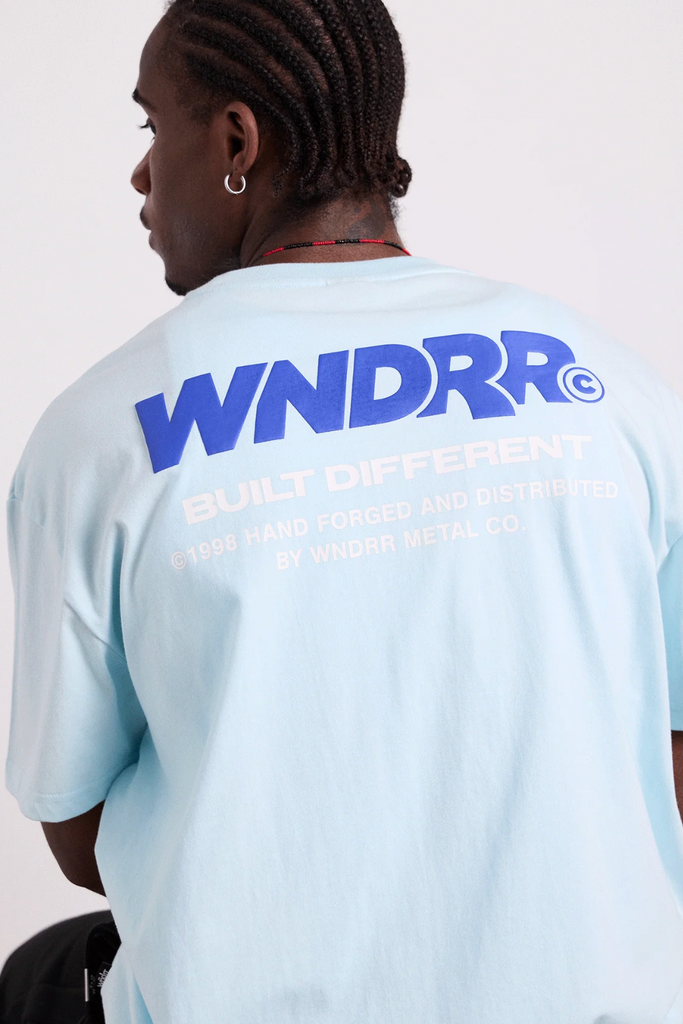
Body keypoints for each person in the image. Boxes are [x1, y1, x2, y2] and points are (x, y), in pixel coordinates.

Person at [3, 0, 683, 1021]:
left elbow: (77, 831)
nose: (142, 174)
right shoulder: (610, 385)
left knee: (42, 980)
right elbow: (665, 757)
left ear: (236, 142)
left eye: (152, 126)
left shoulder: (103, 429)